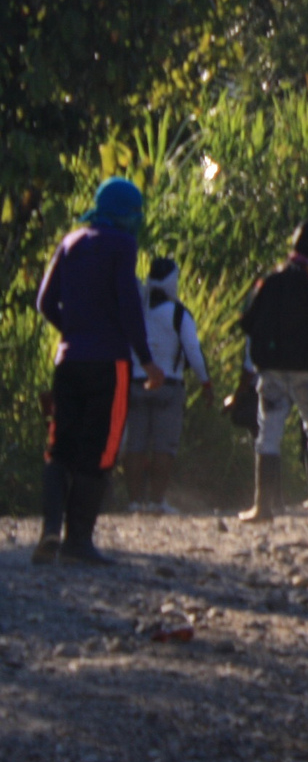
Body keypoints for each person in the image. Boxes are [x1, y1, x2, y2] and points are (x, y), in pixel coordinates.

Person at [33, 178, 162, 564]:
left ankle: (50, 531)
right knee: (100, 450)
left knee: (60, 448)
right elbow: (128, 305)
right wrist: (146, 359)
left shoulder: (70, 241)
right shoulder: (122, 244)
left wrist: (73, 331)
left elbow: (44, 302)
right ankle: (79, 544)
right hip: (109, 364)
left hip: (68, 360)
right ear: (128, 214)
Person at [238, 222, 308, 522]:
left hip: (271, 369)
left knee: (269, 432)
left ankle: (263, 507)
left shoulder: (269, 277)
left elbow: (245, 317)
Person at [122, 256, 211, 514]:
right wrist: (206, 382)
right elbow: (193, 352)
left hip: (136, 384)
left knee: (135, 445)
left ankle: (134, 502)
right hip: (169, 387)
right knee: (164, 446)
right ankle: (157, 501)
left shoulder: (137, 309)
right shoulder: (179, 314)